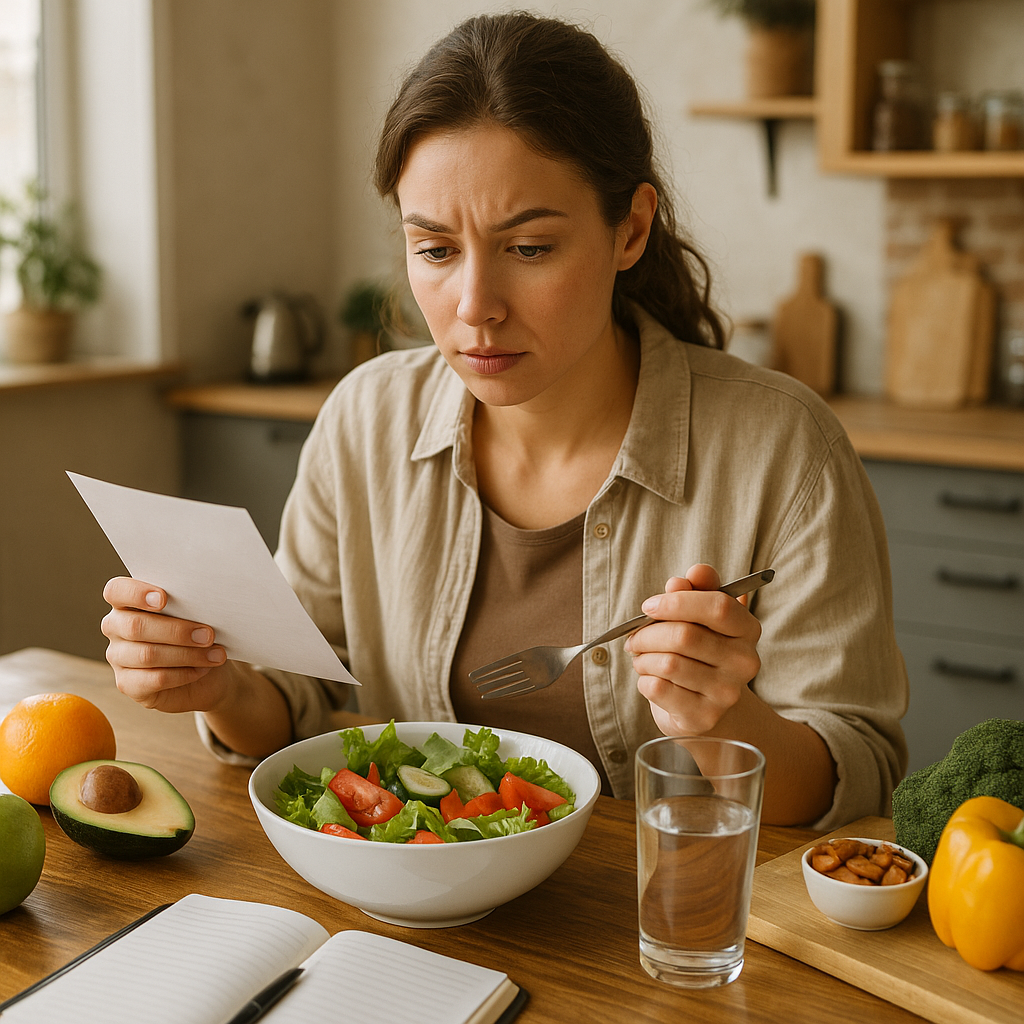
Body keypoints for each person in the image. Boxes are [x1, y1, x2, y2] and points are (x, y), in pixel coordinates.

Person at [101, 12, 908, 829]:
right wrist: (221, 686)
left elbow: (859, 776)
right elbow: (303, 697)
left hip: (656, 929)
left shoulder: (784, 449)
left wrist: (724, 720)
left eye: (529, 249)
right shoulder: (364, 418)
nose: (474, 308)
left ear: (629, 228)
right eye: (437, 250)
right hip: (403, 918)